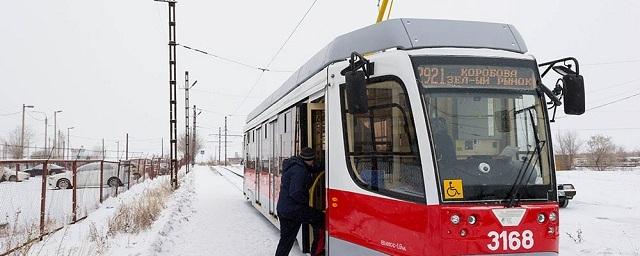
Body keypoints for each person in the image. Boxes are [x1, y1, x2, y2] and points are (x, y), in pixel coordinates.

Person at [275, 147, 325, 256]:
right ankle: (317, 252)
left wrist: (323, 165)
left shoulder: (297, 164)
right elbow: (295, 192)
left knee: (286, 241)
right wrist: (306, 202)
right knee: (321, 219)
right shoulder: (300, 171)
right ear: (311, 160)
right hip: (293, 210)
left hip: (285, 209)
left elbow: (312, 168)